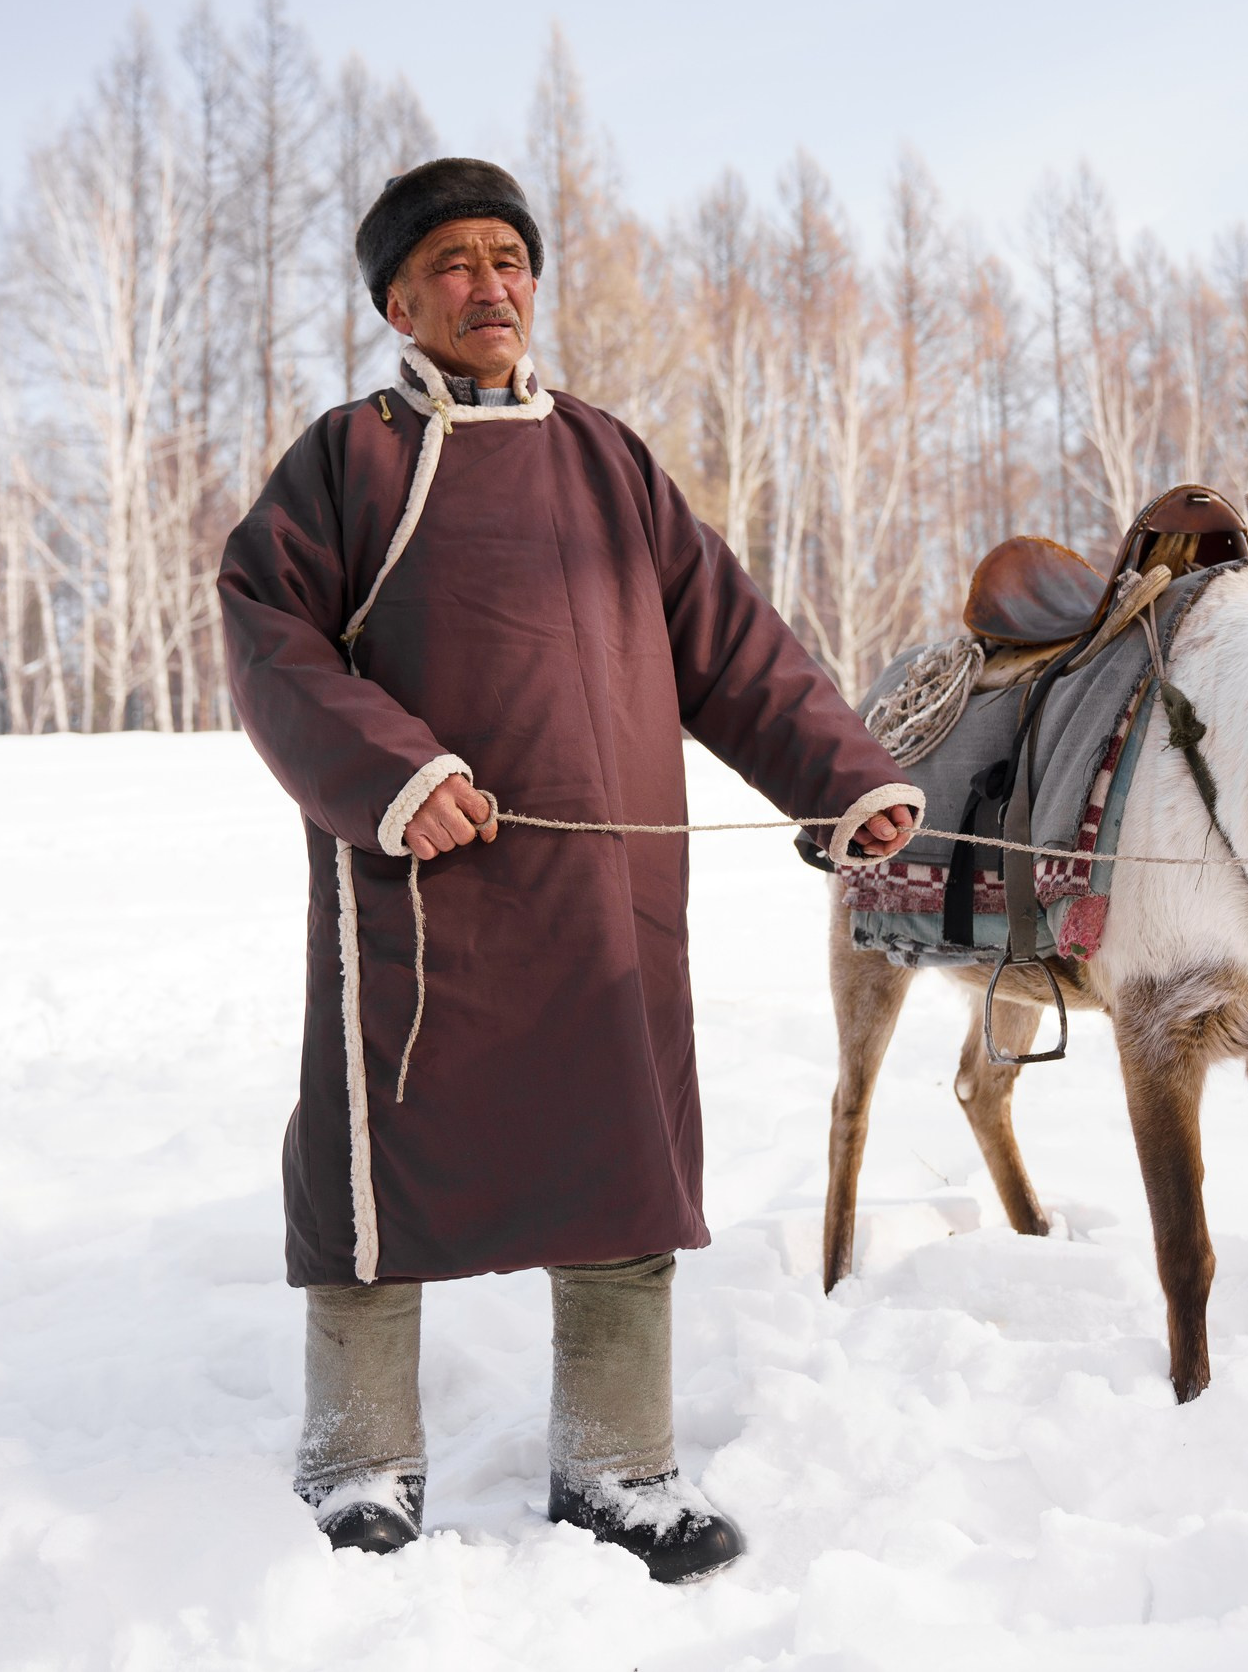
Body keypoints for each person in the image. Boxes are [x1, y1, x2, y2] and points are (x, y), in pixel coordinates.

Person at [216, 158, 921, 1584]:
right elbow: (268, 636)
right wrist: (395, 777)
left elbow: (733, 648)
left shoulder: (609, 458)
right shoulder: (348, 463)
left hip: (607, 896)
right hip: (421, 890)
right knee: (379, 1170)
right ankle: (358, 1456)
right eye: (457, 263)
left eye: (510, 258)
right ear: (400, 300)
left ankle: (617, 1466)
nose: (492, 283)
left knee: (618, 1156)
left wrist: (845, 784)